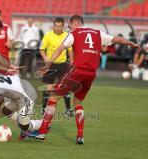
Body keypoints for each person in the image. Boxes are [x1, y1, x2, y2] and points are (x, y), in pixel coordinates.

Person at [32, 15, 141, 145]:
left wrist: (48, 65)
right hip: (91, 74)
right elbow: (116, 39)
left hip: (77, 71)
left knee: (53, 97)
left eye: (69, 25)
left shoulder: (74, 33)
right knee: (77, 102)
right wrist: (130, 43)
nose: (69, 28)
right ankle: (80, 135)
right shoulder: (97, 33)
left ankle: (42, 132)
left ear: (74, 23)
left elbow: (60, 48)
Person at [40, 17, 73, 116]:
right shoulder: (48, 35)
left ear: (63, 26)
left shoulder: (67, 36)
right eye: (56, 26)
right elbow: (42, 49)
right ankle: (43, 109)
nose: (58, 28)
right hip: (51, 64)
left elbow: (70, 50)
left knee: (65, 87)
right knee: (49, 88)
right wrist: (46, 59)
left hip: (63, 64)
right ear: (53, 26)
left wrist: (72, 59)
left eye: (60, 26)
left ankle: (68, 110)